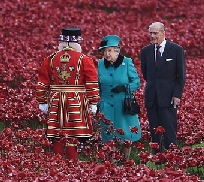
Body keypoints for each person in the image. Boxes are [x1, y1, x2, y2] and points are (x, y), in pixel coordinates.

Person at [36, 28, 100, 160]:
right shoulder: (84, 59)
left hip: (56, 100)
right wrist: (93, 102)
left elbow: (42, 82)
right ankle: (72, 163)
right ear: (78, 43)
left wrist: (42, 101)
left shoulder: (51, 59)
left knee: (57, 133)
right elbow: (92, 82)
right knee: (74, 132)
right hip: (76, 100)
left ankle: (57, 164)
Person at [140, 22, 186, 153]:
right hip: (151, 97)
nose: (152, 36)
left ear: (163, 33)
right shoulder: (146, 51)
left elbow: (181, 75)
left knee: (169, 129)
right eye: (151, 33)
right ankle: (157, 158)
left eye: (155, 33)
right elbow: (146, 73)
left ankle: (172, 157)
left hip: (169, 97)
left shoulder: (176, 50)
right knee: (154, 131)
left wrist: (177, 95)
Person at [97, 35, 141, 161]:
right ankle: (112, 164)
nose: (106, 54)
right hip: (107, 106)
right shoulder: (100, 64)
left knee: (126, 134)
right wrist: (98, 103)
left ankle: (126, 161)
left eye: (109, 50)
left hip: (123, 105)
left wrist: (125, 88)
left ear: (117, 50)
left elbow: (136, 82)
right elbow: (98, 85)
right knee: (109, 136)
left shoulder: (126, 62)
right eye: (104, 51)